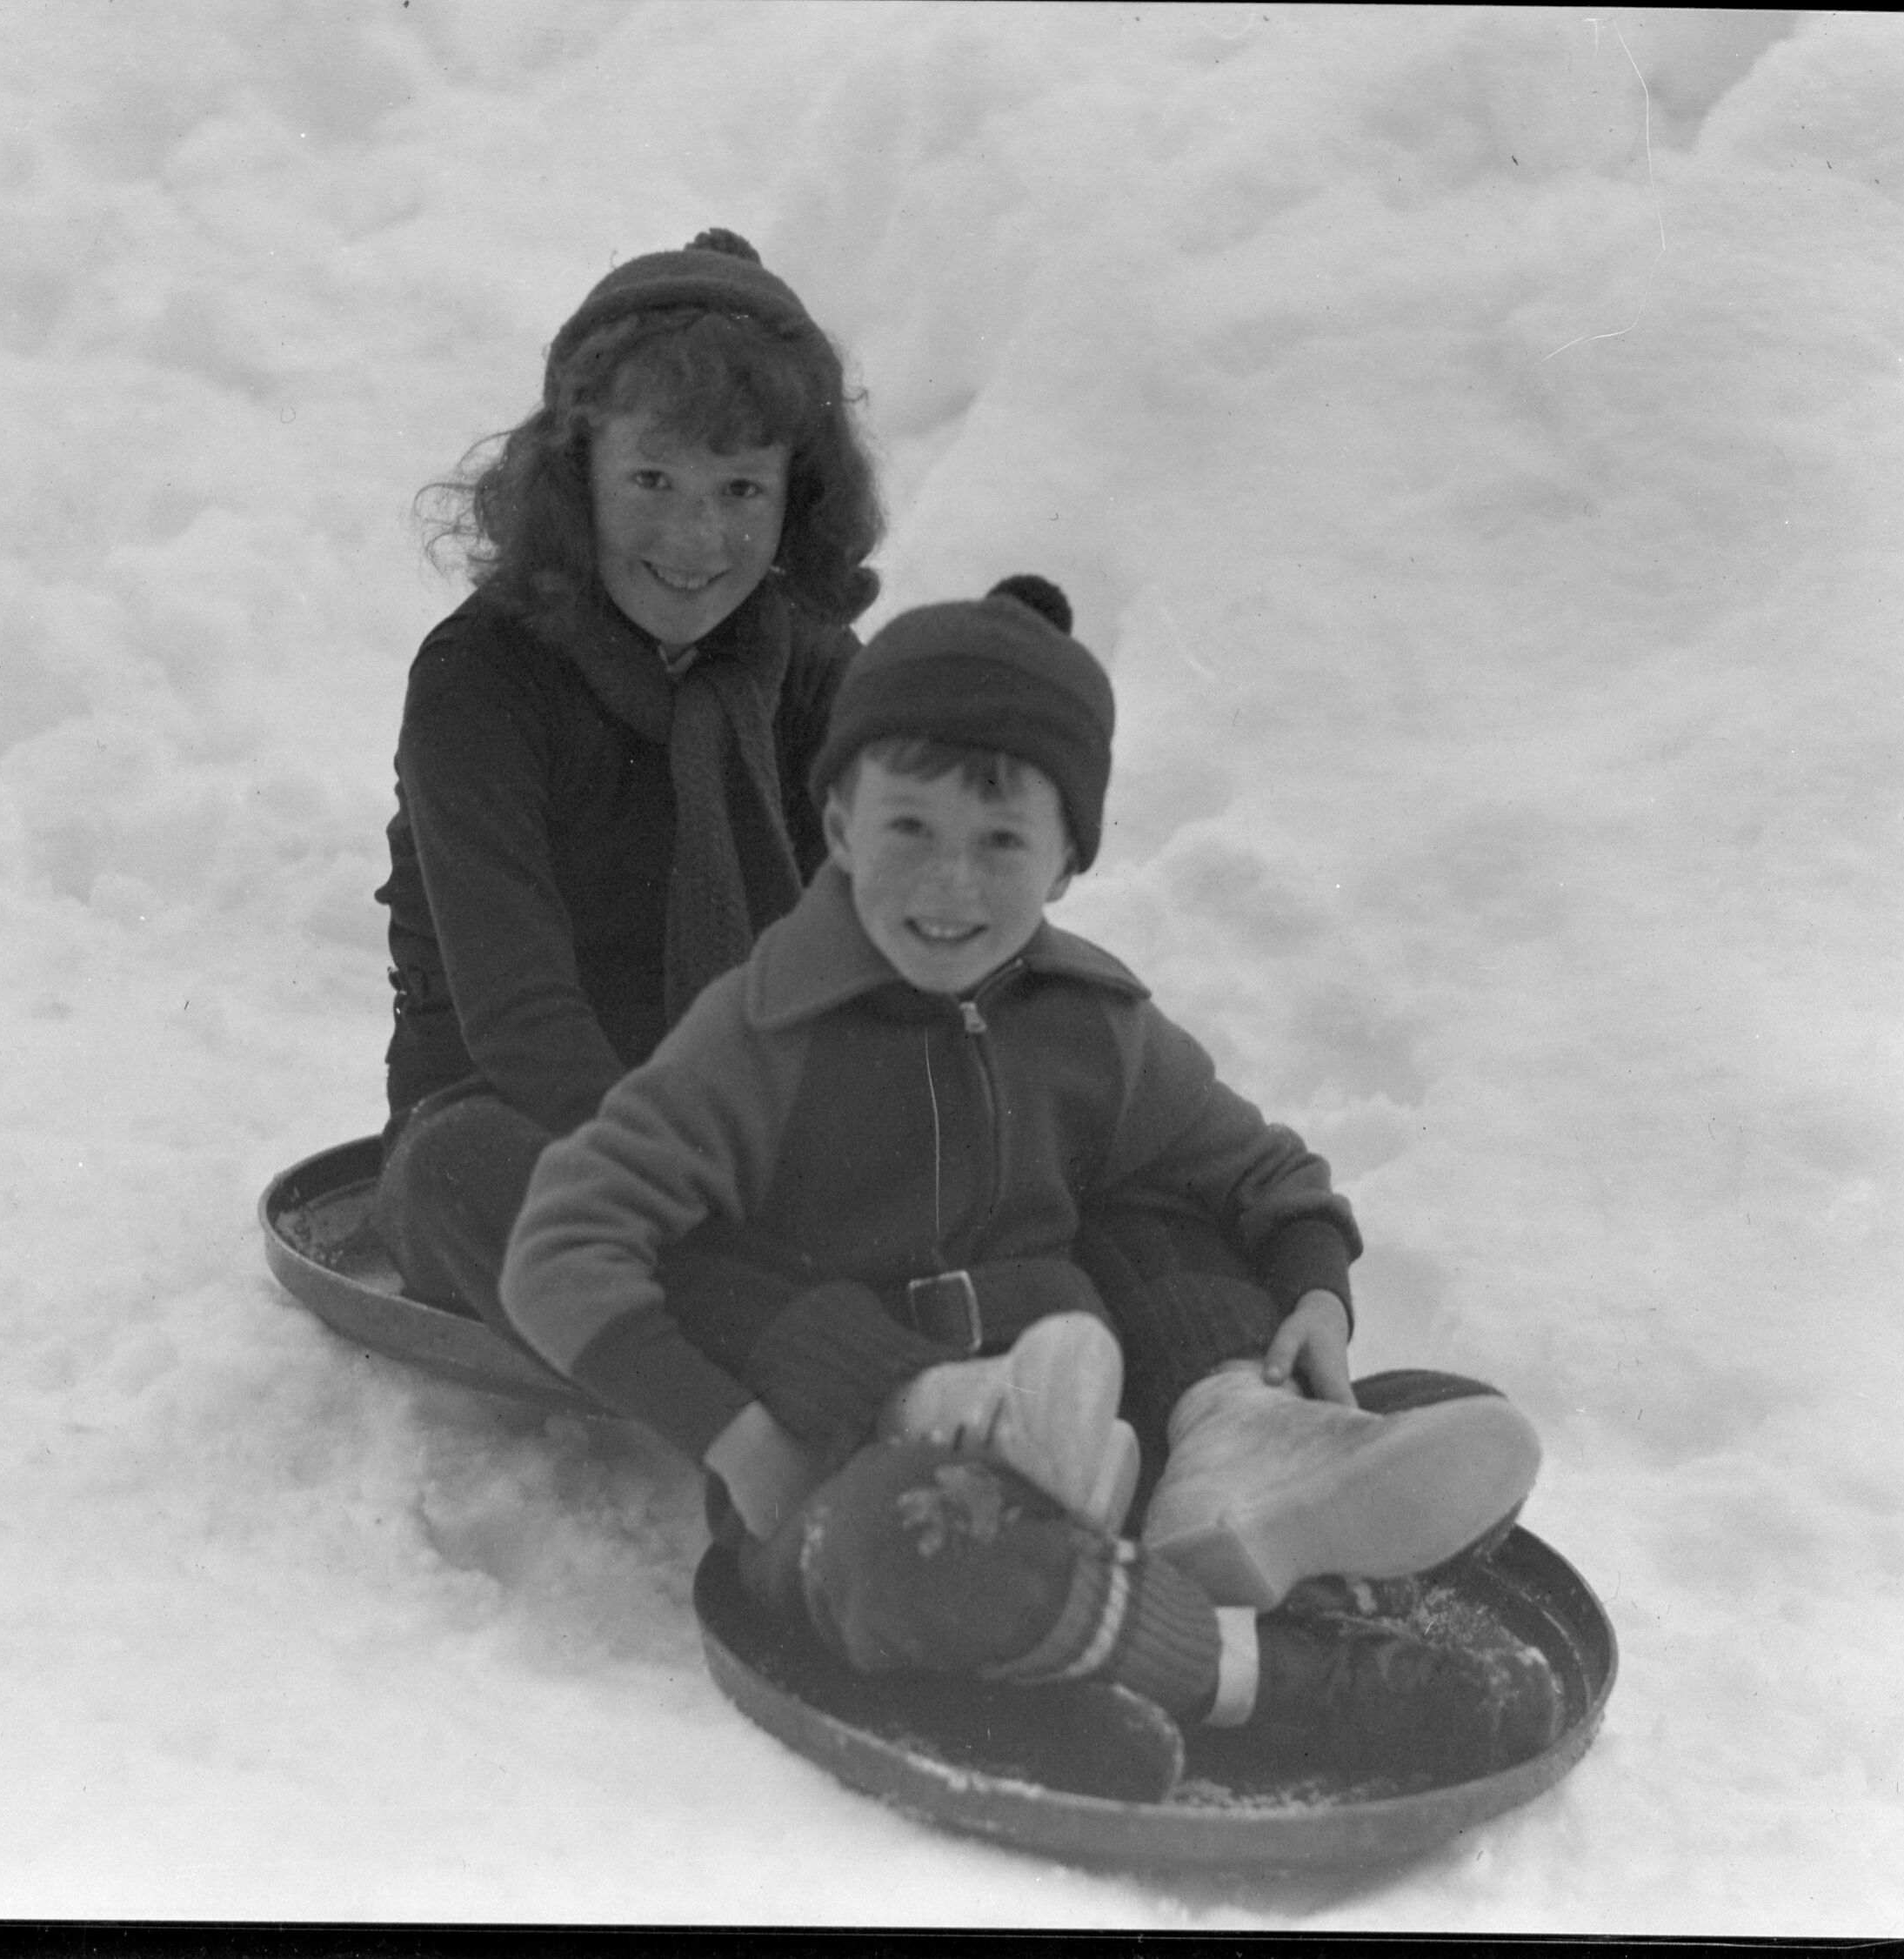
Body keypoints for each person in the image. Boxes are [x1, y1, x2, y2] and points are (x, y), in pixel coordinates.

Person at [498, 578, 1559, 1775]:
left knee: (1404, 1394)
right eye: (909, 831)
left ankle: (1145, 1583)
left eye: (1001, 844)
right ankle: (1279, 1675)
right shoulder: (755, 1040)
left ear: (1064, 863)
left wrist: (1313, 1287)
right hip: (868, 1458)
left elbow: (1257, 1168)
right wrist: (737, 1440)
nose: (950, 887)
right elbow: (557, 1250)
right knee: (902, 1555)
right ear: (840, 825)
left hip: (1109, 1440)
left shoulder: (1084, 1019)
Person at [369, 228, 881, 1331]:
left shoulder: (816, 670)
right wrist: (697, 1191)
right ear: (574, 477)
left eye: (741, 487)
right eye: (652, 477)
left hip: (767, 1136)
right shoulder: (482, 681)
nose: (696, 538)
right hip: (529, 1124)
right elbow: (519, 1015)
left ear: (797, 499)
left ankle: (1221, 1389)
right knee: (471, 1176)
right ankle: (834, 1350)